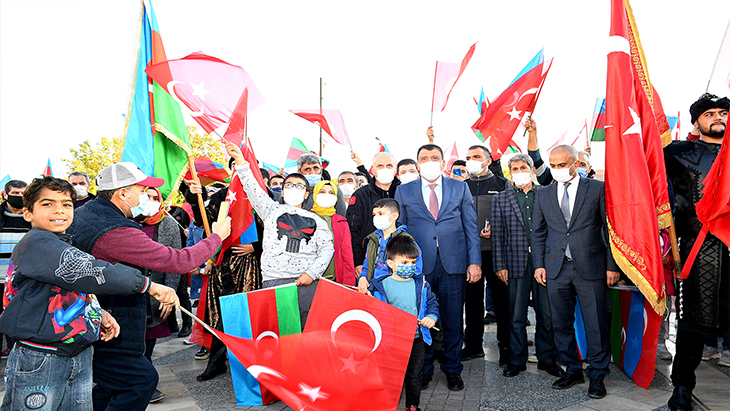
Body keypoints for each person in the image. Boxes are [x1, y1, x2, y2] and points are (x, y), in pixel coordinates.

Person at [0, 176, 177, 411]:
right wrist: (149, 285)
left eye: (66, 204)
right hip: (43, 356)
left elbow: (60, 290)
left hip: (73, 352)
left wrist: (96, 312)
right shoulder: (39, 243)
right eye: (47, 204)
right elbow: (92, 270)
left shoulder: (60, 241)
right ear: (28, 213)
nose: (59, 210)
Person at [66, 162, 230, 410]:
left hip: (93, 315)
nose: (145, 197)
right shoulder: (115, 230)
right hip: (111, 319)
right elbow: (178, 260)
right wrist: (216, 237)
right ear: (122, 193)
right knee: (140, 381)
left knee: (112, 384)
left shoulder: (87, 213)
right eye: (142, 190)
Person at [532, 145, 619, 399]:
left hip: (591, 267)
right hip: (556, 268)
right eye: (553, 165)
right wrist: (539, 264)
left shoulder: (597, 188)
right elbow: (538, 231)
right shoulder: (544, 193)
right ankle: (571, 369)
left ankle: (597, 374)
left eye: (562, 165)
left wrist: (612, 266)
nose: (557, 170)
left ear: (576, 163)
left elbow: (610, 228)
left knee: (596, 323)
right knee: (560, 322)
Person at [395, 143, 481, 392]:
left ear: (443, 162)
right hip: (420, 267)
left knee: (454, 319)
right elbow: (401, 229)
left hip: (454, 265)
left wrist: (474, 262)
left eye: (435, 157)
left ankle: (453, 370)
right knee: (422, 319)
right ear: (418, 163)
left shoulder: (459, 186)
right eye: (425, 158)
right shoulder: (405, 190)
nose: (430, 161)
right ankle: (424, 369)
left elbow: (470, 227)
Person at [664, 93, 729, 411]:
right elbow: (646, 173)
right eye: (710, 113)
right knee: (693, 323)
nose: (718, 117)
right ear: (697, 121)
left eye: (723, 113)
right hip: (700, 249)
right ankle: (681, 390)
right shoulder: (678, 152)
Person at [225, 141, 334, 288]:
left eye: (299, 186)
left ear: (306, 194)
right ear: (282, 192)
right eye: (289, 185)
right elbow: (252, 188)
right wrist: (240, 161)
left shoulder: (317, 220)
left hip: (306, 282)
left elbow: (327, 248)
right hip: (273, 280)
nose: (294, 188)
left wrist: (312, 273)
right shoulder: (270, 210)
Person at [491, 154, 562, 378]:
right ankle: (517, 358)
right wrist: (499, 265)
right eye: (515, 168)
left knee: (546, 314)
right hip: (514, 264)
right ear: (510, 172)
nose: (519, 171)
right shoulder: (500, 199)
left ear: (532, 170)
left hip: (543, 263)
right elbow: (498, 236)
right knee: (516, 315)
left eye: (523, 167)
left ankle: (547, 358)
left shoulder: (547, 194)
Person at [367, 235, 438, 411]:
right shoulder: (380, 286)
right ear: (391, 264)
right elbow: (372, 312)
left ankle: (412, 406)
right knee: (391, 377)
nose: (410, 267)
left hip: (415, 339)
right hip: (391, 341)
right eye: (404, 263)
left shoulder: (421, 284)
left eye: (413, 263)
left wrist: (431, 317)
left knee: (414, 376)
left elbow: (432, 303)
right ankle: (388, 405)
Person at [464, 144, 510, 362]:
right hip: (471, 254)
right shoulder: (462, 187)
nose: (471, 160)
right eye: (468, 157)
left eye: (476, 156)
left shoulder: (503, 184)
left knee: (501, 301)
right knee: (472, 302)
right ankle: (473, 345)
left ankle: (506, 346)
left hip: (497, 253)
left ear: (488, 160)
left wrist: (497, 229)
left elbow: (514, 217)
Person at [138, 187, 182, 403]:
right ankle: (141, 383)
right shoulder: (128, 221)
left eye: (156, 198)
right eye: (147, 197)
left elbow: (174, 262)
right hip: (131, 292)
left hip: (157, 295)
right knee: (133, 343)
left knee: (149, 342)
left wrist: (169, 294)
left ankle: (146, 385)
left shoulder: (169, 224)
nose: (152, 201)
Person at [347, 152, 401, 277]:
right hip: (369, 260)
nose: (385, 169)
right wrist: (358, 262)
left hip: (400, 258)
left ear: (395, 169)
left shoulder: (403, 192)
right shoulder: (361, 195)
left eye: (389, 166)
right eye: (380, 166)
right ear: (373, 170)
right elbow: (353, 230)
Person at [357, 198, 421, 293]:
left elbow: (416, 270)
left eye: (381, 214)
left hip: (396, 291)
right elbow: (367, 265)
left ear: (394, 216)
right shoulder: (373, 239)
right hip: (374, 289)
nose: (376, 217)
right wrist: (362, 277)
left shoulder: (406, 241)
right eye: (374, 214)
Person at [0, 179, 30, 357]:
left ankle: (14, 351)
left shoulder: (32, 217)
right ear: (5, 194)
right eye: (15, 193)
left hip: (20, 279)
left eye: (22, 194)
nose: (19, 197)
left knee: (16, 316)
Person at [311, 180, 356, 286]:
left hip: (334, 280)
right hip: (310, 279)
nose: (327, 195)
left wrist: (349, 284)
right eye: (322, 192)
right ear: (315, 195)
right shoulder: (305, 218)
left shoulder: (341, 222)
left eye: (331, 193)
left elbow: (347, 255)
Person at [524, 118, 554, 186]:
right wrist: (532, 133)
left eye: (583, 165)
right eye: (554, 165)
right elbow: (536, 160)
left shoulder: (583, 186)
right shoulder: (553, 180)